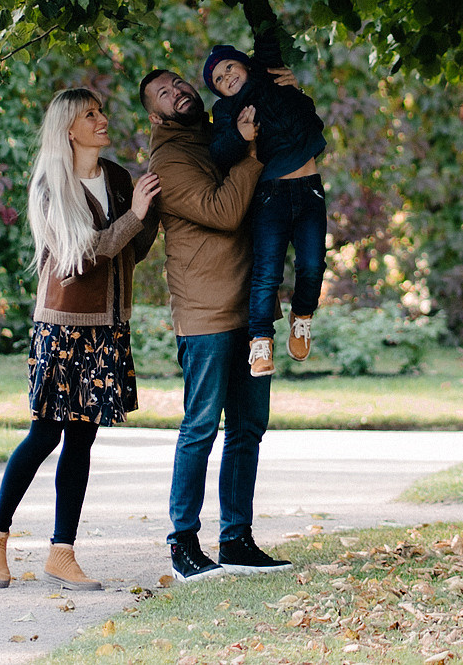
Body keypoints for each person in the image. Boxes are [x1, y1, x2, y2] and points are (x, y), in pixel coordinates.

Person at [0, 88, 158, 592]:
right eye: (91, 114)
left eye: (102, 110)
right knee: (45, 435)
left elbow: (133, 248)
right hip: (61, 326)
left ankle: (62, 552)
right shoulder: (49, 186)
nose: (103, 119)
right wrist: (137, 216)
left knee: (82, 439)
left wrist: (153, 209)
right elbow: (84, 254)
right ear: (69, 130)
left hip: (108, 327)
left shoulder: (120, 179)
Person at [139, 65, 290, 580]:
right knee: (200, 428)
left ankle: (236, 540)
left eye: (180, 83)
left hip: (251, 311)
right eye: (163, 92)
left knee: (247, 429)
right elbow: (222, 211)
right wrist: (248, 154)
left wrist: (279, 92)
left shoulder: (218, 132)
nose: (177, 91)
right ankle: (183, 543)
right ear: (153, 113)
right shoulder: (169, 159)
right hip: (205, 313)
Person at [200, 45, 330, 377]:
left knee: (313, 265)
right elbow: (220, 152)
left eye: (230, 67)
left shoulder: (275, 83)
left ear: (246, 65)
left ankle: (302, 317)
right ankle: (260, 341)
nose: (226, 77)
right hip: (271, 195)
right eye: (217, 78)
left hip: (310, 188)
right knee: (267, 273)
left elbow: (311, 120)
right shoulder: (227, 110)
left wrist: (296, 88)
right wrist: (241, 135)